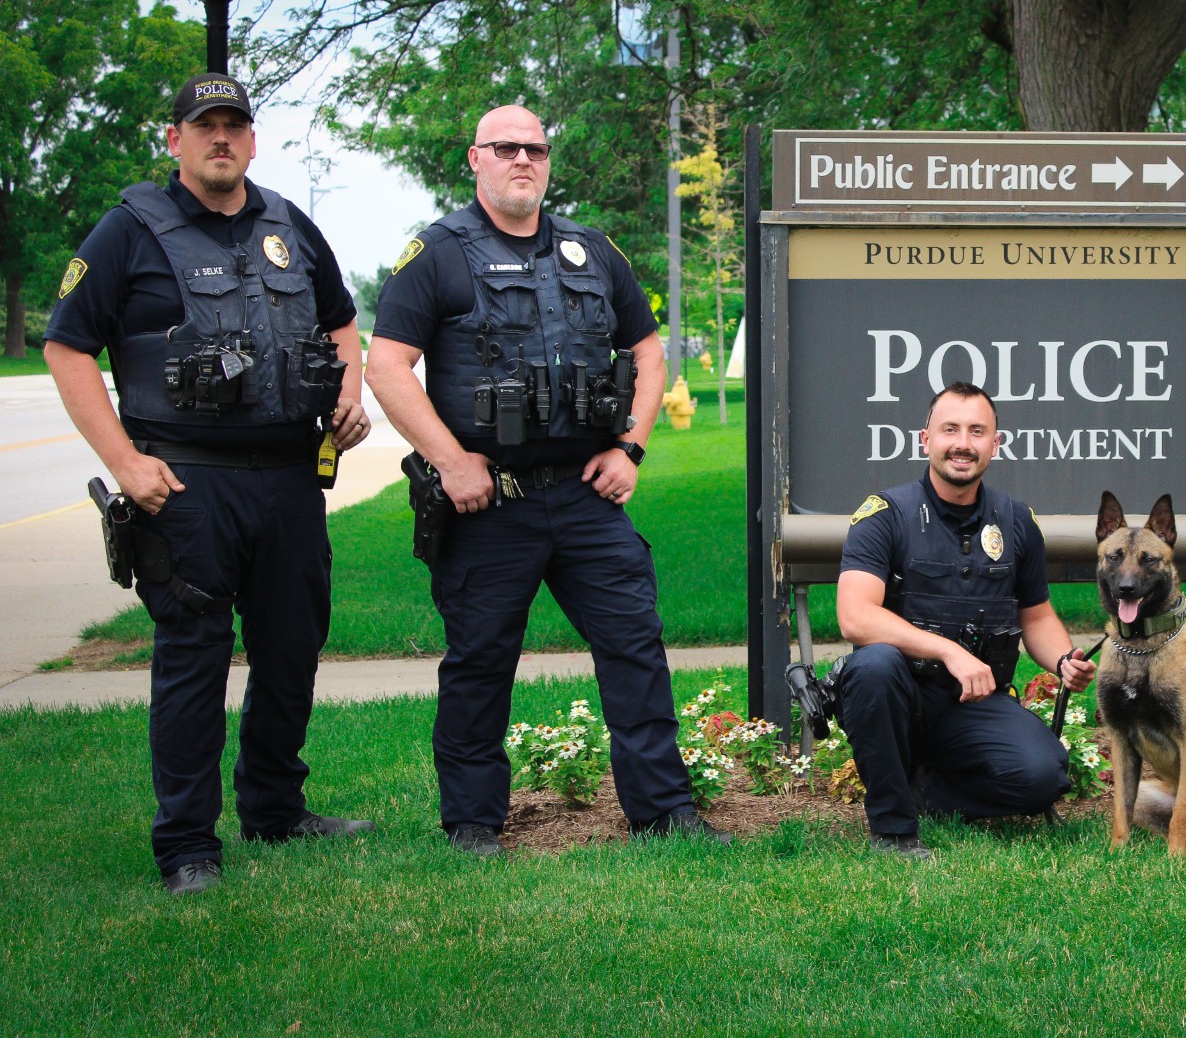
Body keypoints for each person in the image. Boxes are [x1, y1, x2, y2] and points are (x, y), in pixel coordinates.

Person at [44, 73, 376, 896]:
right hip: (186, 484)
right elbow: (67, 345)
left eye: (235, 125)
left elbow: (340, 316)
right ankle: (187, 843)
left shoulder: (288, 225)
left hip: (292, 477)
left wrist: (348, 390)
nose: (221, 138)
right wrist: (124, 460)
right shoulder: (129, 231)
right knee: (193, 659)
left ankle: (274, 808)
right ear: (176, 140)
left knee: (291, 648)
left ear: (254, 141)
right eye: (205, 126)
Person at [365, 104, 721, 857]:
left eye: (535, 148)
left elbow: (649, 352)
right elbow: (386, 365)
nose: (522, 159)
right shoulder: (437, 254)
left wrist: (631, 446)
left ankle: (664, 811)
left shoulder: (592, 252)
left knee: (634, 643)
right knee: (481, 660)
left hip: (586, 497)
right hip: (491, 501)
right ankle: (471, 822)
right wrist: (450, 460)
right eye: (506, 148)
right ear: (476, 159)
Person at [835, 382, 1098, 860]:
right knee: (873, 667)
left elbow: (1035, 614)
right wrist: (948, 650)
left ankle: (929, 793)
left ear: (995, 444)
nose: (963, 442)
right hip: (900, 698)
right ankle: (893, 830)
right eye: (950, 429)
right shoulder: (883, 516)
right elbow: (855, 617)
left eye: (978, 431)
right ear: (925, 439)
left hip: (973, 703)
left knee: (1043, 778)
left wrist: (1062, 660)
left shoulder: (1017, 522)